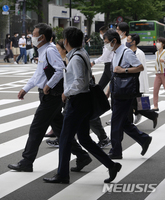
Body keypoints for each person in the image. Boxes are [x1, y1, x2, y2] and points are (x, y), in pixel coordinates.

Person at [8, 23, 92, 173]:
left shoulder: (50, 50)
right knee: (60, 129)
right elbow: (38, 74)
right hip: (48, 95)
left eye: (34, 34)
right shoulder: (43, 51)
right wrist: (25, 88)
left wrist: (49, 85)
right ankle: (82, 155)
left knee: (37, 128)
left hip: (51, 96)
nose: (32, 37)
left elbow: (60, 69)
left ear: (42, 37)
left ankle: (27, 161)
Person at [44, 27, 121, 184]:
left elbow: (80, 81)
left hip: (77, 101)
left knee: (65, 138)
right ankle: (111, 165)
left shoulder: (77, 58)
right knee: (84, 139)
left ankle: (62, 174)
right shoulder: (82, 54)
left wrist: (67, 93)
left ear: (66, 42)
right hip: (83, 101)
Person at [46, 39, 111, 149]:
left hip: (79, 91)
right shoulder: (74, 55)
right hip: (76, 90)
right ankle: (62, 138)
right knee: (72, 116)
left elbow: (78, 79)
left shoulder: (73, 58)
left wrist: (66, 93)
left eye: (58, 49)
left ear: (65, 49)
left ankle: (102, 139)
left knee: (87, 117)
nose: (56, 52)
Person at [104, 29, 152, 160]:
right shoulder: (115, 53)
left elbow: (140, 67)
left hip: (125, 92)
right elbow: (114, 74)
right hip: (116, 91)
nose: (106, 45)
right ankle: (144, 139)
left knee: (116, 121)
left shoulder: (126, 52)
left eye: (107, 42)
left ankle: (116, 150)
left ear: (114, 41)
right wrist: (108, 91)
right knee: (122, 121)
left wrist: (124, 69)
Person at [127, 34, 158, 127]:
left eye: (128, 40)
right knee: (134, 105)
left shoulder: (139, 53)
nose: (126, 42)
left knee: (135, 104)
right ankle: (152, 115)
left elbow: (140, 69)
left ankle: (130, 124)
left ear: (133, 42)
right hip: (129, 82)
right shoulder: (128, 51)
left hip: (136, 83)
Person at [153, 37, 165, 111]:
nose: (157, 43)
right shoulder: (156, 53)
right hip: (157, 73)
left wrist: (164, 61)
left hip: (164, 73)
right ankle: (155, 106)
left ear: (163, 44)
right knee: (155, 90)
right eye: (157, 41)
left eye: (159, 42)